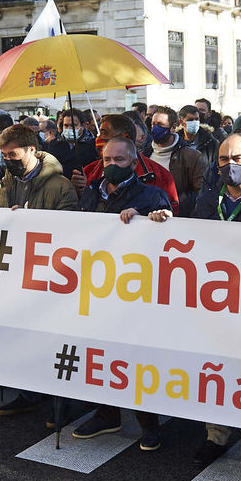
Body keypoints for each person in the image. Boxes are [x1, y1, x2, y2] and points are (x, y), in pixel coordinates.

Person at [152, 133, 241, 475]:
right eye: (222, 159)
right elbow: (188, 233)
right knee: (216, 368)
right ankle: (215, 435)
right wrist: (161, 222)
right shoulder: (208, 199)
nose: (229, 165)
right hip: (214, 301)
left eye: (237, 159)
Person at [69, 137, 172, 449]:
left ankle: (148, 423)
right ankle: (106, 413)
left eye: (120, 161)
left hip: (134, 289)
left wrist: (150, 220)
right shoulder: (91, 192)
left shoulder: (151, 194)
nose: (112, 166)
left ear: (134, 161)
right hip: (96, 285)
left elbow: (169, 235)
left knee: (136, 357)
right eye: (107, 160)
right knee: (99, 353)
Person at [0, 123, 79, 418]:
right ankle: (29, 391)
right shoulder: (4, 181)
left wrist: (32, 222)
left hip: (51, 273)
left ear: (31, 150)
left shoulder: (60, 186)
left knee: (55, 338)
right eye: (3, 155)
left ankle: (62, 402)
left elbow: (71, 230)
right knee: (22, 336)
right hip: (18, 269)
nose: (8, 160)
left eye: (13, 154)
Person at [73, 114, 178, 206]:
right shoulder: (88, 172)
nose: (98, 138)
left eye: (104, 133)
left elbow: (170, 212)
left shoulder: (159, 175)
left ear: (125, 138)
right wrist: (81, 191)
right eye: (107, 159)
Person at [147, 106, 205, 216]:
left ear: (173, 127)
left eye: (160, 125)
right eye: (153, 124)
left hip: (178, 217)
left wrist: (178, 204)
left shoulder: (192, 157)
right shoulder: (145, 154)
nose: (155, 128)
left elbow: (201, 192)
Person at [47, 108, 98, 180]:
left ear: (83, 126)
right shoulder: (54, 144)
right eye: (66, 125)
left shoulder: (92, 144)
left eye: (73, 125)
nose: (69, 129)